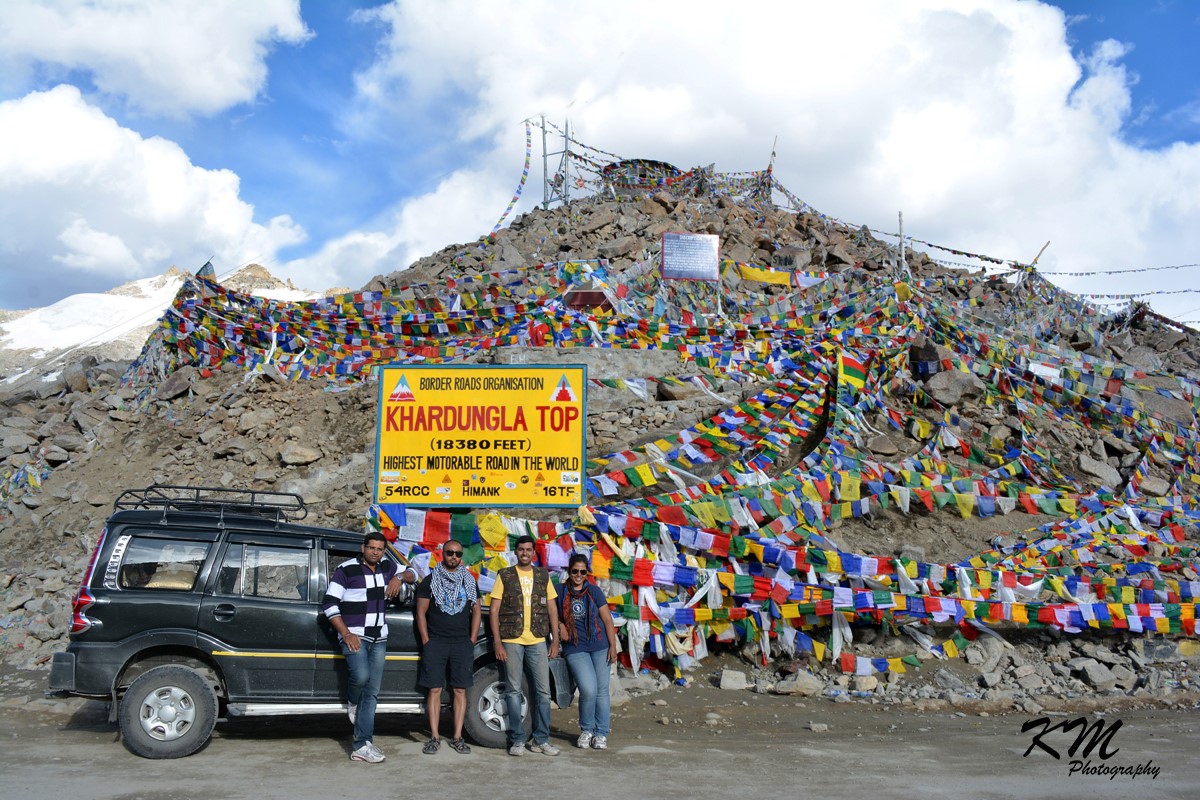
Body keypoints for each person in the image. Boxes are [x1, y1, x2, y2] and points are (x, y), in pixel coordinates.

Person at [321, 532, 418, 763]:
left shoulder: (387, 566)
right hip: (355, 636)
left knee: (372, 693)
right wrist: (345, 633)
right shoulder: (346, 569)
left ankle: (362, 745)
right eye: (371, 548)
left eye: (379, 549)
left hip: (379, 638)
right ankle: (352, 702)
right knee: (362, 678)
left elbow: (414, 572)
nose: (375, 552)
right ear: (363, 548)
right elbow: (329, 603)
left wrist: (399, 578)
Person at [489, 535, 561, 756]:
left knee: (543, 691)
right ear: (516, 552)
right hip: (511, 639)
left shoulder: (543, 576)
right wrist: (498, 643)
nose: (525, 553)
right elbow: (494, 610)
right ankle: (518, 739)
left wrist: (555, 639)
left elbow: (552, 609)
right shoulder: (505, 575)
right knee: (513, 690)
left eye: (529, 550)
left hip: (538, 639)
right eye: (521, 549)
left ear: (533, 552)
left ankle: (541, 739)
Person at [415, 541, 480, 755]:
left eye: (457, 553)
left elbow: (476, 610)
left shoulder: (469, 580)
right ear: (442, 554)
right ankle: (434, 737)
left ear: (461, 556)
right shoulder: (429, 581)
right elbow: (421, 613)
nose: (453, 556)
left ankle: (457, 737)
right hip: (436, 641)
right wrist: (426, 640)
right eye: (450, 553)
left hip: (461, 642)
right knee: (434, 689)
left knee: (460, 690)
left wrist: (471, 639)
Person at [557, 554, 618, 750]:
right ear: (569, 571)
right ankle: (586, 729)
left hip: (600, 645)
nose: (579, 575)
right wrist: (560, 625)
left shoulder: (594, 591)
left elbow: (608, 620)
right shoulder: (560, 592)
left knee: (601, 691)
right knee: (588, 689)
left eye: (583, 572)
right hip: (575, 647)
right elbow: (551, 614)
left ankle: (600, 733)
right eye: (575, 571)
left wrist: (613, 646)